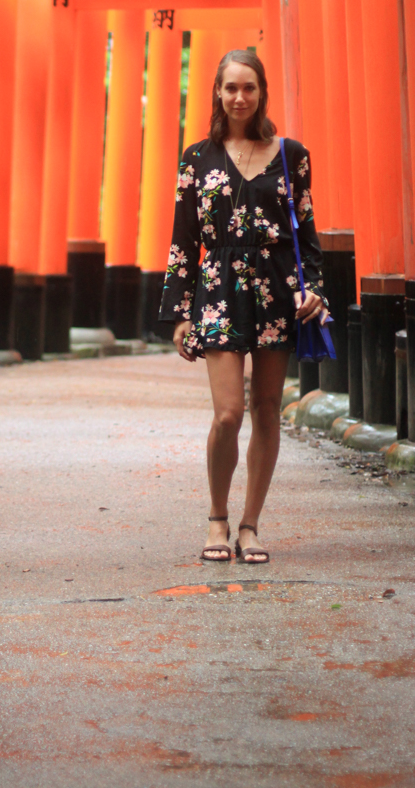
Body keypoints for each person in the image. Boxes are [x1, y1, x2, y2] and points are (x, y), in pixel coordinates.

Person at [159, 50, 326, 564]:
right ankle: (217, 518)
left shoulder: (292, 154)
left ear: (262, 93)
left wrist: (315, 286)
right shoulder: (195, 158)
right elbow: (184, 240)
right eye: (230, 88)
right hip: (219, 287)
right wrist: (180, 313)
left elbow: (307, 231)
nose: (239, 97)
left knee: (267, 410)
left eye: (249, 88)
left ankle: (251, 525)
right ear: (217, 92)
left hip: (278, 291)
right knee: (229, 413)